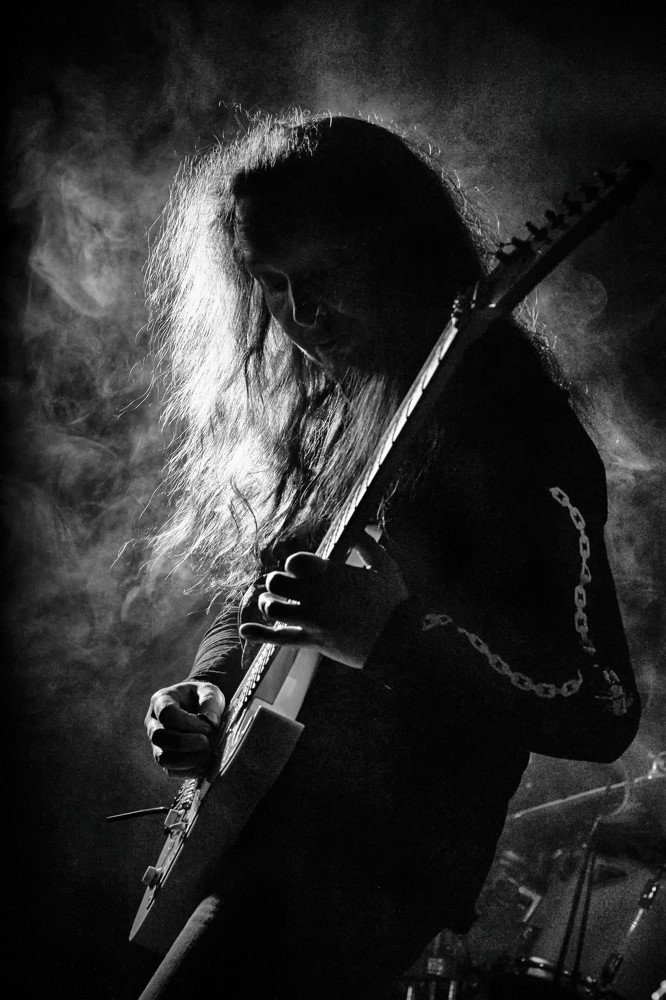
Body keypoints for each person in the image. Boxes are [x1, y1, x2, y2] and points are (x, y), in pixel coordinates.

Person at [140, 112, 640, 999]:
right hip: (263, 831)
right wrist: (211, 687)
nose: (302, 314)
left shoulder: (514, 430)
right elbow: (262, 595)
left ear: (399, 252)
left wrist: (392, 634)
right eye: (272, 283)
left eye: (324, 273)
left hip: (372, 869)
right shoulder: (330, 414)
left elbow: (601, 705)